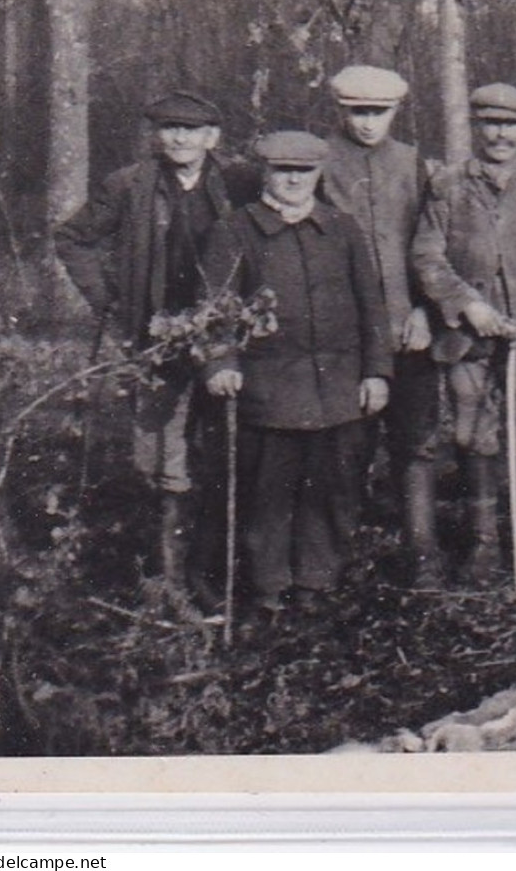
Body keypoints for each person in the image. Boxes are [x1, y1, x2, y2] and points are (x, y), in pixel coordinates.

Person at [54, 91, 260, 600]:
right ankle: (166, 577)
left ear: (213, 137)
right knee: (159, 456)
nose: (179, 138)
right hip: (155, 337)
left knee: (219, 449)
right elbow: (72, 237)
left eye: (191, 129)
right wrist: (112, 301)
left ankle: (209, 573)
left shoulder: (238, 183)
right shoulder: (129, 185)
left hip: (220, 335)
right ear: (155, 134)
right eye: (169, 128)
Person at [202, 130, 392, 621]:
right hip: (270, 390)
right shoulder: (235, 230)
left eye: (303, 171)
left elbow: (372, 307)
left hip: (337, 385)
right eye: (282, 170)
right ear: (265, 173)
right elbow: (218, 309)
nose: (292, 179)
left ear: (319, 173)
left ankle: (316, 581)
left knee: (330, 488)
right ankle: (268, 587)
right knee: (269, 489)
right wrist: (222, 362)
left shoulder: (343, 228)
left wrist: (376, 372)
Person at [411, 83, 516, 588]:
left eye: (512, 124)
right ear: (476, 127)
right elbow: (427, 257)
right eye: (490, 124)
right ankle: (483, 542)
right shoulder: (448, 186)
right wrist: (466, 306)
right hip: (470, 338)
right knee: (473, 434)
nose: (501, 134)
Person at [320, 65, 439, 588]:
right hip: (342, 335)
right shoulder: (317, 163)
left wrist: (425, 310)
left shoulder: (415, 166)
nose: (368, 123)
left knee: (415, 441)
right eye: (357, 112)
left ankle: (422, 551)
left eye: (379, 113)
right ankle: (341, 552)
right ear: (340, 111)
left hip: (406, 329)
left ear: (396, 111)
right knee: (347, 444)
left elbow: (433, 244)